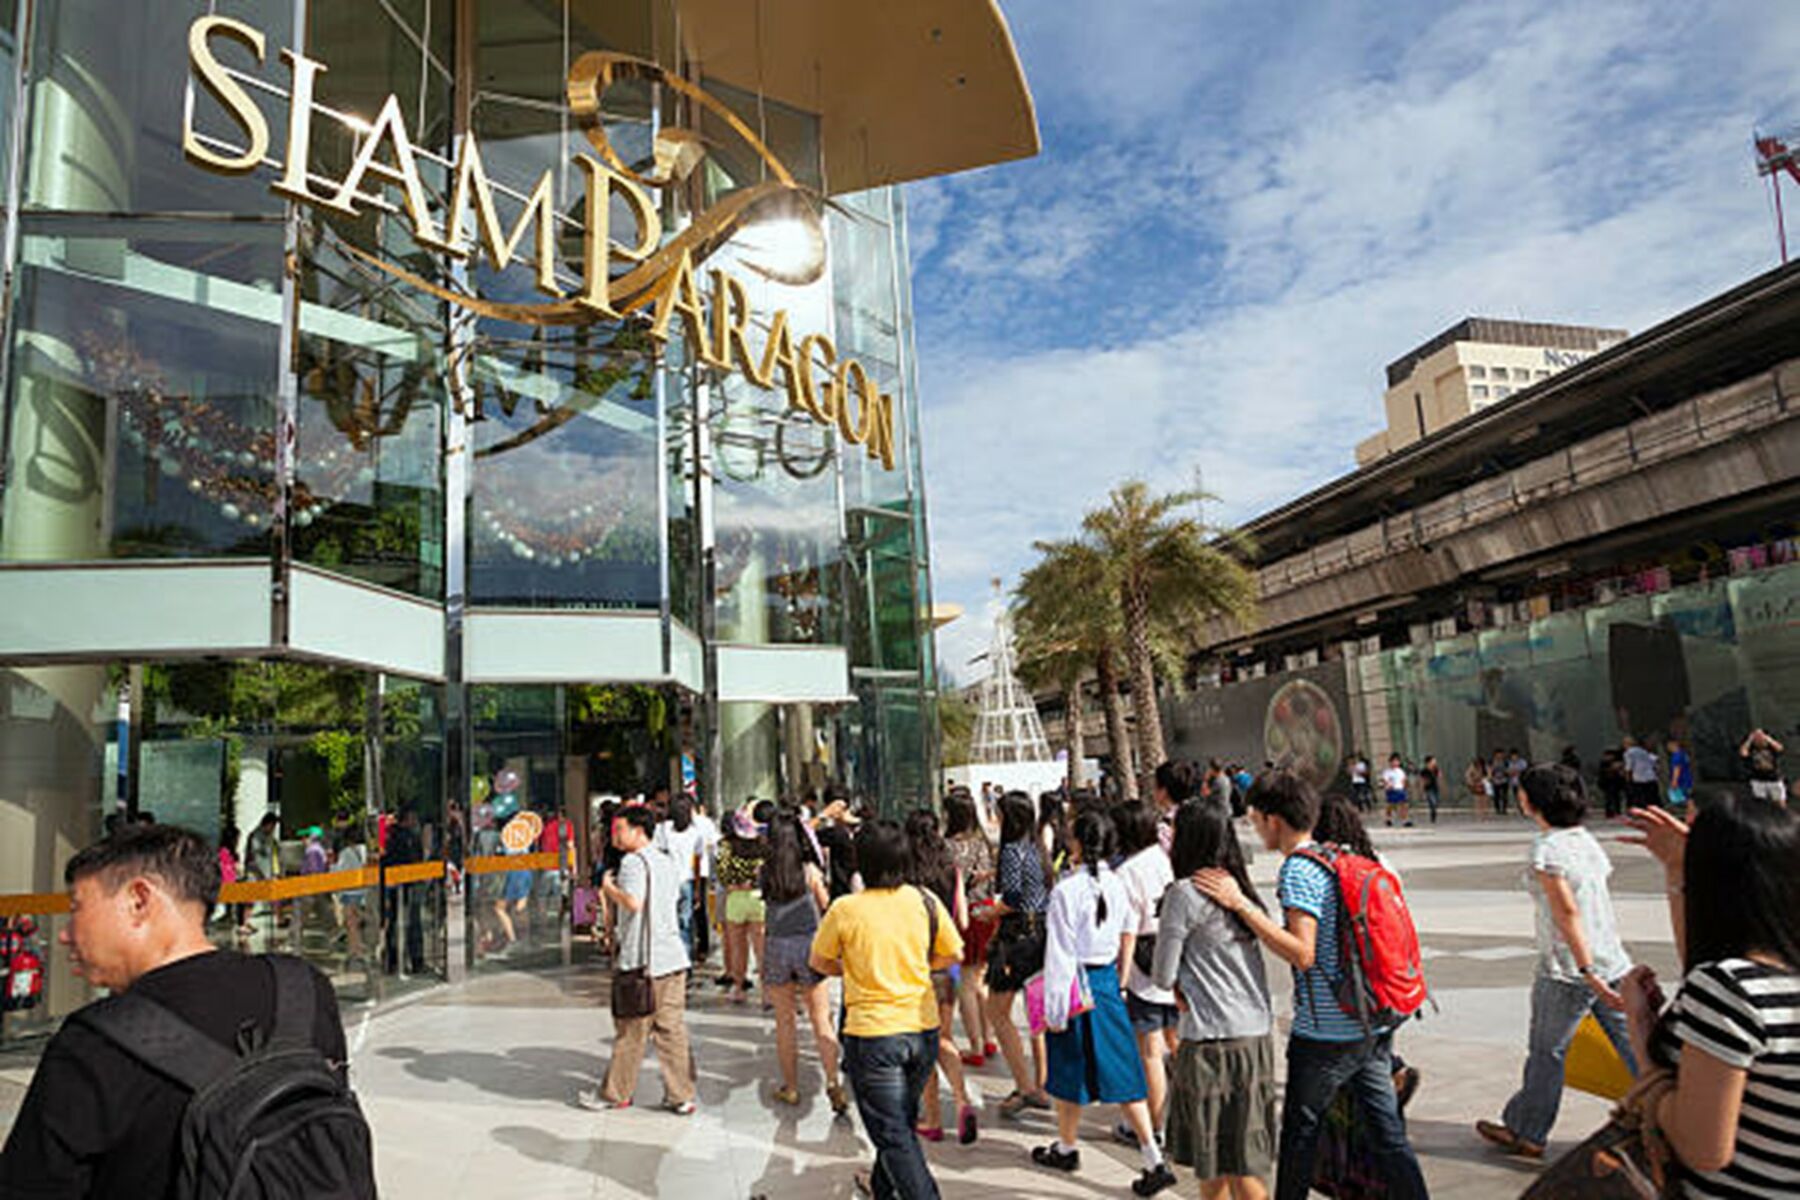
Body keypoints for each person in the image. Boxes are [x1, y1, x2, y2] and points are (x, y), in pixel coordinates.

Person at [0, 824, 358, 1198]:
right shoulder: (304, 989)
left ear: (139, 900)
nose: (65, 933)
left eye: (77, 907)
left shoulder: (91, 1045)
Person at [1194, 771, 1429, 1200]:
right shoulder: (1333, 856)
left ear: (1274, 820)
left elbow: (1303, 952)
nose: (1253, 826)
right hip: (1369, 1023)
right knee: (1387, 1135)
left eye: (1255, 819)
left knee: (1300, 1134)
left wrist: (1241, 904)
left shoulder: (1299, 870)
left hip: (1326, 1033)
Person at [1620, 792, 1800, 1197]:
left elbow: (1703, 1149)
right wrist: (1677, 869)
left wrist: (1644, 1049)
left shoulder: (1729, 990)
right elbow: (1712, 964)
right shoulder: (1765, 982)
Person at [1476, 763, 1637, 1159]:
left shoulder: (1546, 849)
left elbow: (1566, 912)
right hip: (1613, 959)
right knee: (1637, 1048)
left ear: (1532, 800)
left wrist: (1586, 971)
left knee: (1547, 1051)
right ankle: (1676, 1116)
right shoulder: (1585, 840)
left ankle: (1527, 1131)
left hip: (1569, 969)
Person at [809, 819, 963, 1200]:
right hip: (922, 1029)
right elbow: (954, 953)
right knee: (898, 1121)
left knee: (892, 1130)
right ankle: (881, 1187)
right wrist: (917, 967)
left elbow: (820, 961)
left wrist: (856, 968)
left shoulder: (846, 909)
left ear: (862, 860)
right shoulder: (924, 899)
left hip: (874, 1034)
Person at [1030, 807, 1175, 1196]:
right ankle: (1152, 1157)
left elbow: (1059, 953)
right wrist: (1121, 982)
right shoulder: (1118, 884)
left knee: (1067, 1070)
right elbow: (1128, 934)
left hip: (1074, 983)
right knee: (1123, 1072)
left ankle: (1067, 1145)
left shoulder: (1065, 890)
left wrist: (1054, 1009)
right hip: (1107, 983)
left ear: (1076, 843)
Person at [1156, 797, 1278, 1200]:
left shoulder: (1184, 893)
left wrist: (1178, 983)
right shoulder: (1236, 887)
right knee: (1229, 1163)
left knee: (1229, 1167)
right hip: (1255, 1037)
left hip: (1211, 1043)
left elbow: (1161, 974)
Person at [580, 805, 695, 1114]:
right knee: (671, 1029)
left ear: (638, 831)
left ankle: (615, 1094)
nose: (615, 835)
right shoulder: (666, 860)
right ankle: (681, 1095)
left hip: (644, 960)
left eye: (620, 829)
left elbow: (633, 903)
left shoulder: (632, 862)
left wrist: (609, 888)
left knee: (631, 1030)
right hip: (672, 956)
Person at [758, 809, 847, 1114]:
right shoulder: (809, 870)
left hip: (776, 945)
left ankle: (792, 1088)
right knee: (821, 1018)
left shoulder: (765, 871)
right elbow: (828, 907)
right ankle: (833, 1081)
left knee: (785, 1021)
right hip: (810, 945)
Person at [905, 809, 979, 1146]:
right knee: (945, 1039)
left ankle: (933, 1119)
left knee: (924, 1046)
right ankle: (963, 1100)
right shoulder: (952, 868)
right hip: (947, 964)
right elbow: (962, 919)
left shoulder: (906, 876)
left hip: (917, 966)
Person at [986, 790, 1053, 1118]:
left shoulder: (1012, 851)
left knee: (997, 1011)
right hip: (1040, 934)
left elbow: (1011, 898)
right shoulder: (1037, 846)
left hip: (1016, 938)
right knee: (1036, 1014)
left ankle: (1025, 1085)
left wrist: (988, 915)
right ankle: (1041, 1084)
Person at [1115, 800, 1177, 1146]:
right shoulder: (1167, 856)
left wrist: (1121, 981)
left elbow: (1127, 932)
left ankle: (1156, 1127)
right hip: (1176, 959)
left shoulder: (1127, 872)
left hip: (1144, 967)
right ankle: (1189, 1117)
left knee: (1151, 1052)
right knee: (1178, 1043)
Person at [943, 788, 997, 1067]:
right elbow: (988, 874)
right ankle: (989, 1037)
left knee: (965, 982)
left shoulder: (946, 846)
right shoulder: (982, 842)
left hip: (961, 914)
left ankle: (975, 1045)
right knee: (981, 979)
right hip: (986, 911)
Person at [715, 805, 767, 1003]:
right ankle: (767, 992)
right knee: (761, 948)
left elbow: (722, 874)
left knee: (738, 947)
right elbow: (765, 870)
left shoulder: (725, 846)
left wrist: (734, 884)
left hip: (734, 899)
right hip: (757, 898)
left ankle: (739, 988)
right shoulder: (760, 844)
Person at [656, 795, 705, 960]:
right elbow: (697, 861)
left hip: (667, 883)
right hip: (686, 881)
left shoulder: (662, 829)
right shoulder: (695, 833)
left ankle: (671, 959)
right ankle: (686, 961)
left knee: (668, 923)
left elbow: (659, 855)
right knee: (686, 924)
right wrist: (697, 887)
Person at [382, 808, 425, 975]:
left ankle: (393, 961)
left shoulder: (390, 837)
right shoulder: (409, 838)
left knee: (395, 922)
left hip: (396, 886)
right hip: (408, 885)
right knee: (412, 922)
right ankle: (414, 960)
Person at [1740, 727, 1786, 805]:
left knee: (1780, 804)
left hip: (1774, 779)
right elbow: (1743, 753)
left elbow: (1780, 748)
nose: (1759, 739)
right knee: (1760, 805)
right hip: (1758, 781)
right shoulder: (1751, 749)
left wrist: (1767, 738)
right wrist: (1750, 739)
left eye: (1760, 737)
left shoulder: (1771, 748)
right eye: (1757, 738)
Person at [1623, 735, 1661, 810]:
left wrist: (1628, 780)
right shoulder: (1644, 751)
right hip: (1651, 778)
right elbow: (1654, 763)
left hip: (1639, 779)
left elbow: (1629, 767)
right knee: (1651, 799)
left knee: (1639, 799)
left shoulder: (1629, 753)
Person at [1380, 753, 1410, 828]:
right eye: (1393, 761)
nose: (1395, 763)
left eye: (1397, 761)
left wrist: (1404, 788)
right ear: (1390, 762)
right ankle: (1388, 819)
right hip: (1391, 790)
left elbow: (1404, 780)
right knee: (1390, 806)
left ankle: (1405, 820)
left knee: (1404, 805)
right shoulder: (1387, 772)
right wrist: (1387, 785)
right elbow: (1384, 780)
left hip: (1400, 790)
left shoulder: (1401, 771)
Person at [1597, 747, 1627, 819]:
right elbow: (1601, 773)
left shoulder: (1614, 762)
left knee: (1615, 797)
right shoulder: (1604, 763)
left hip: (1614, 782)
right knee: (1610, 798)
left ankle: (1616, 811)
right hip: (1608, 782)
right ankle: (1610, 812)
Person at [1666, 736, 1694, 812]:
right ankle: (1691, 812)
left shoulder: (1676, 756)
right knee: (1689, 798)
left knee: (1681, 799)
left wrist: (1674, 781)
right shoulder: (1683, 753)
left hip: (1681, 781)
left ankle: (1689, 812)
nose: (1668, 747)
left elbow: (1677, 769)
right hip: (1687, 779)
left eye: (1669, 745)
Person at [1420, 755, 1441, 825]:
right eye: (1433, 761)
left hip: (1435, 788)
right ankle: (1433, 817)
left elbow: (1439, 777)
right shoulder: (1424, 771)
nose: (1435, 762)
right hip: (1428, 789)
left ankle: (1433, 815)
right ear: (1428, 762)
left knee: (1436, 803)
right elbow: (1422, 781)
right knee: (1433, 802)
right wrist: (1422, 791)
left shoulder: (1436, 769)